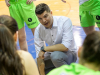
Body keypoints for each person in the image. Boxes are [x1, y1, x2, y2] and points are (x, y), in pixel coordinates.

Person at [34, 3, 77, 75]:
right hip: (52, 55)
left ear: (51, 13)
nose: (44, 20)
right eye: (40, 18)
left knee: (55, 56)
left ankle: (69, 73)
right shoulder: (38, 30)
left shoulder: (65, 21)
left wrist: (44, 49)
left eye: (45, 16)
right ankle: (57, 69)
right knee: (34, 65)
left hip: (70, 54)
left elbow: (65, 47)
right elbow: (40, 57)